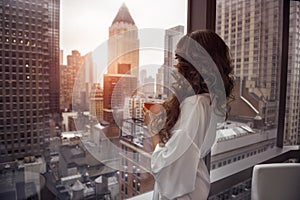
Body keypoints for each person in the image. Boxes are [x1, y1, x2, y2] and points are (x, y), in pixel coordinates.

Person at [143, 30, 234, 200]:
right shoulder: (208, 102)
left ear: (193, 64)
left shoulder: (196, 104)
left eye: (180, 59)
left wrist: (153, 129)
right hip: (193, 184)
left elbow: (167, 164)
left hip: (183, 193)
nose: (176, 66)